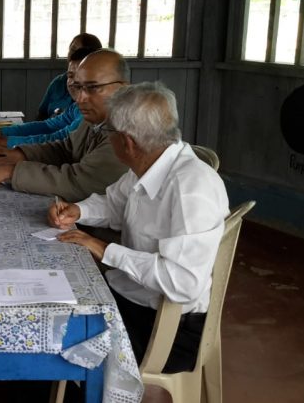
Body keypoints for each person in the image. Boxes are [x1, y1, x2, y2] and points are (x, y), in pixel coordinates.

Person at [47, 81, 229, 373]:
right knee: (53, 307)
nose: (107, 138)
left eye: (109, 133)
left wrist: (105, 250)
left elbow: (182, 283)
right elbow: (113, 204)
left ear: (127, 142)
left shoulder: (191, 187)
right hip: (130, 298)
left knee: (49, 343)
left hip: (168, 329)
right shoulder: (151, 165)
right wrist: (78, 210)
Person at [0, 49, 129, 201]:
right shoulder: (95, 119)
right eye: (78, 87)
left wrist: (13, 172)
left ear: (123, 87)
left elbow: (79, 182)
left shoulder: (128, 130)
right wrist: (14, 154)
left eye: (93, 88)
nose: (80, 98)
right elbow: (65, 148)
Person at [0, 46, 99, 149]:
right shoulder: (76, 107)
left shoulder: (92, 113)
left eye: (82, 77)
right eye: (70, 76)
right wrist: (1, 132)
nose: (74, 82)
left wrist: (5, 141)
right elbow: (47, 125)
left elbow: (60, 138)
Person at [35, 33, 103, 121]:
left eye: (76, 51)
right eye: (71, 49)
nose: (72, 54)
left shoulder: (92, 104)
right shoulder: (58, 82)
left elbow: (65, 132)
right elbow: (43, 117)